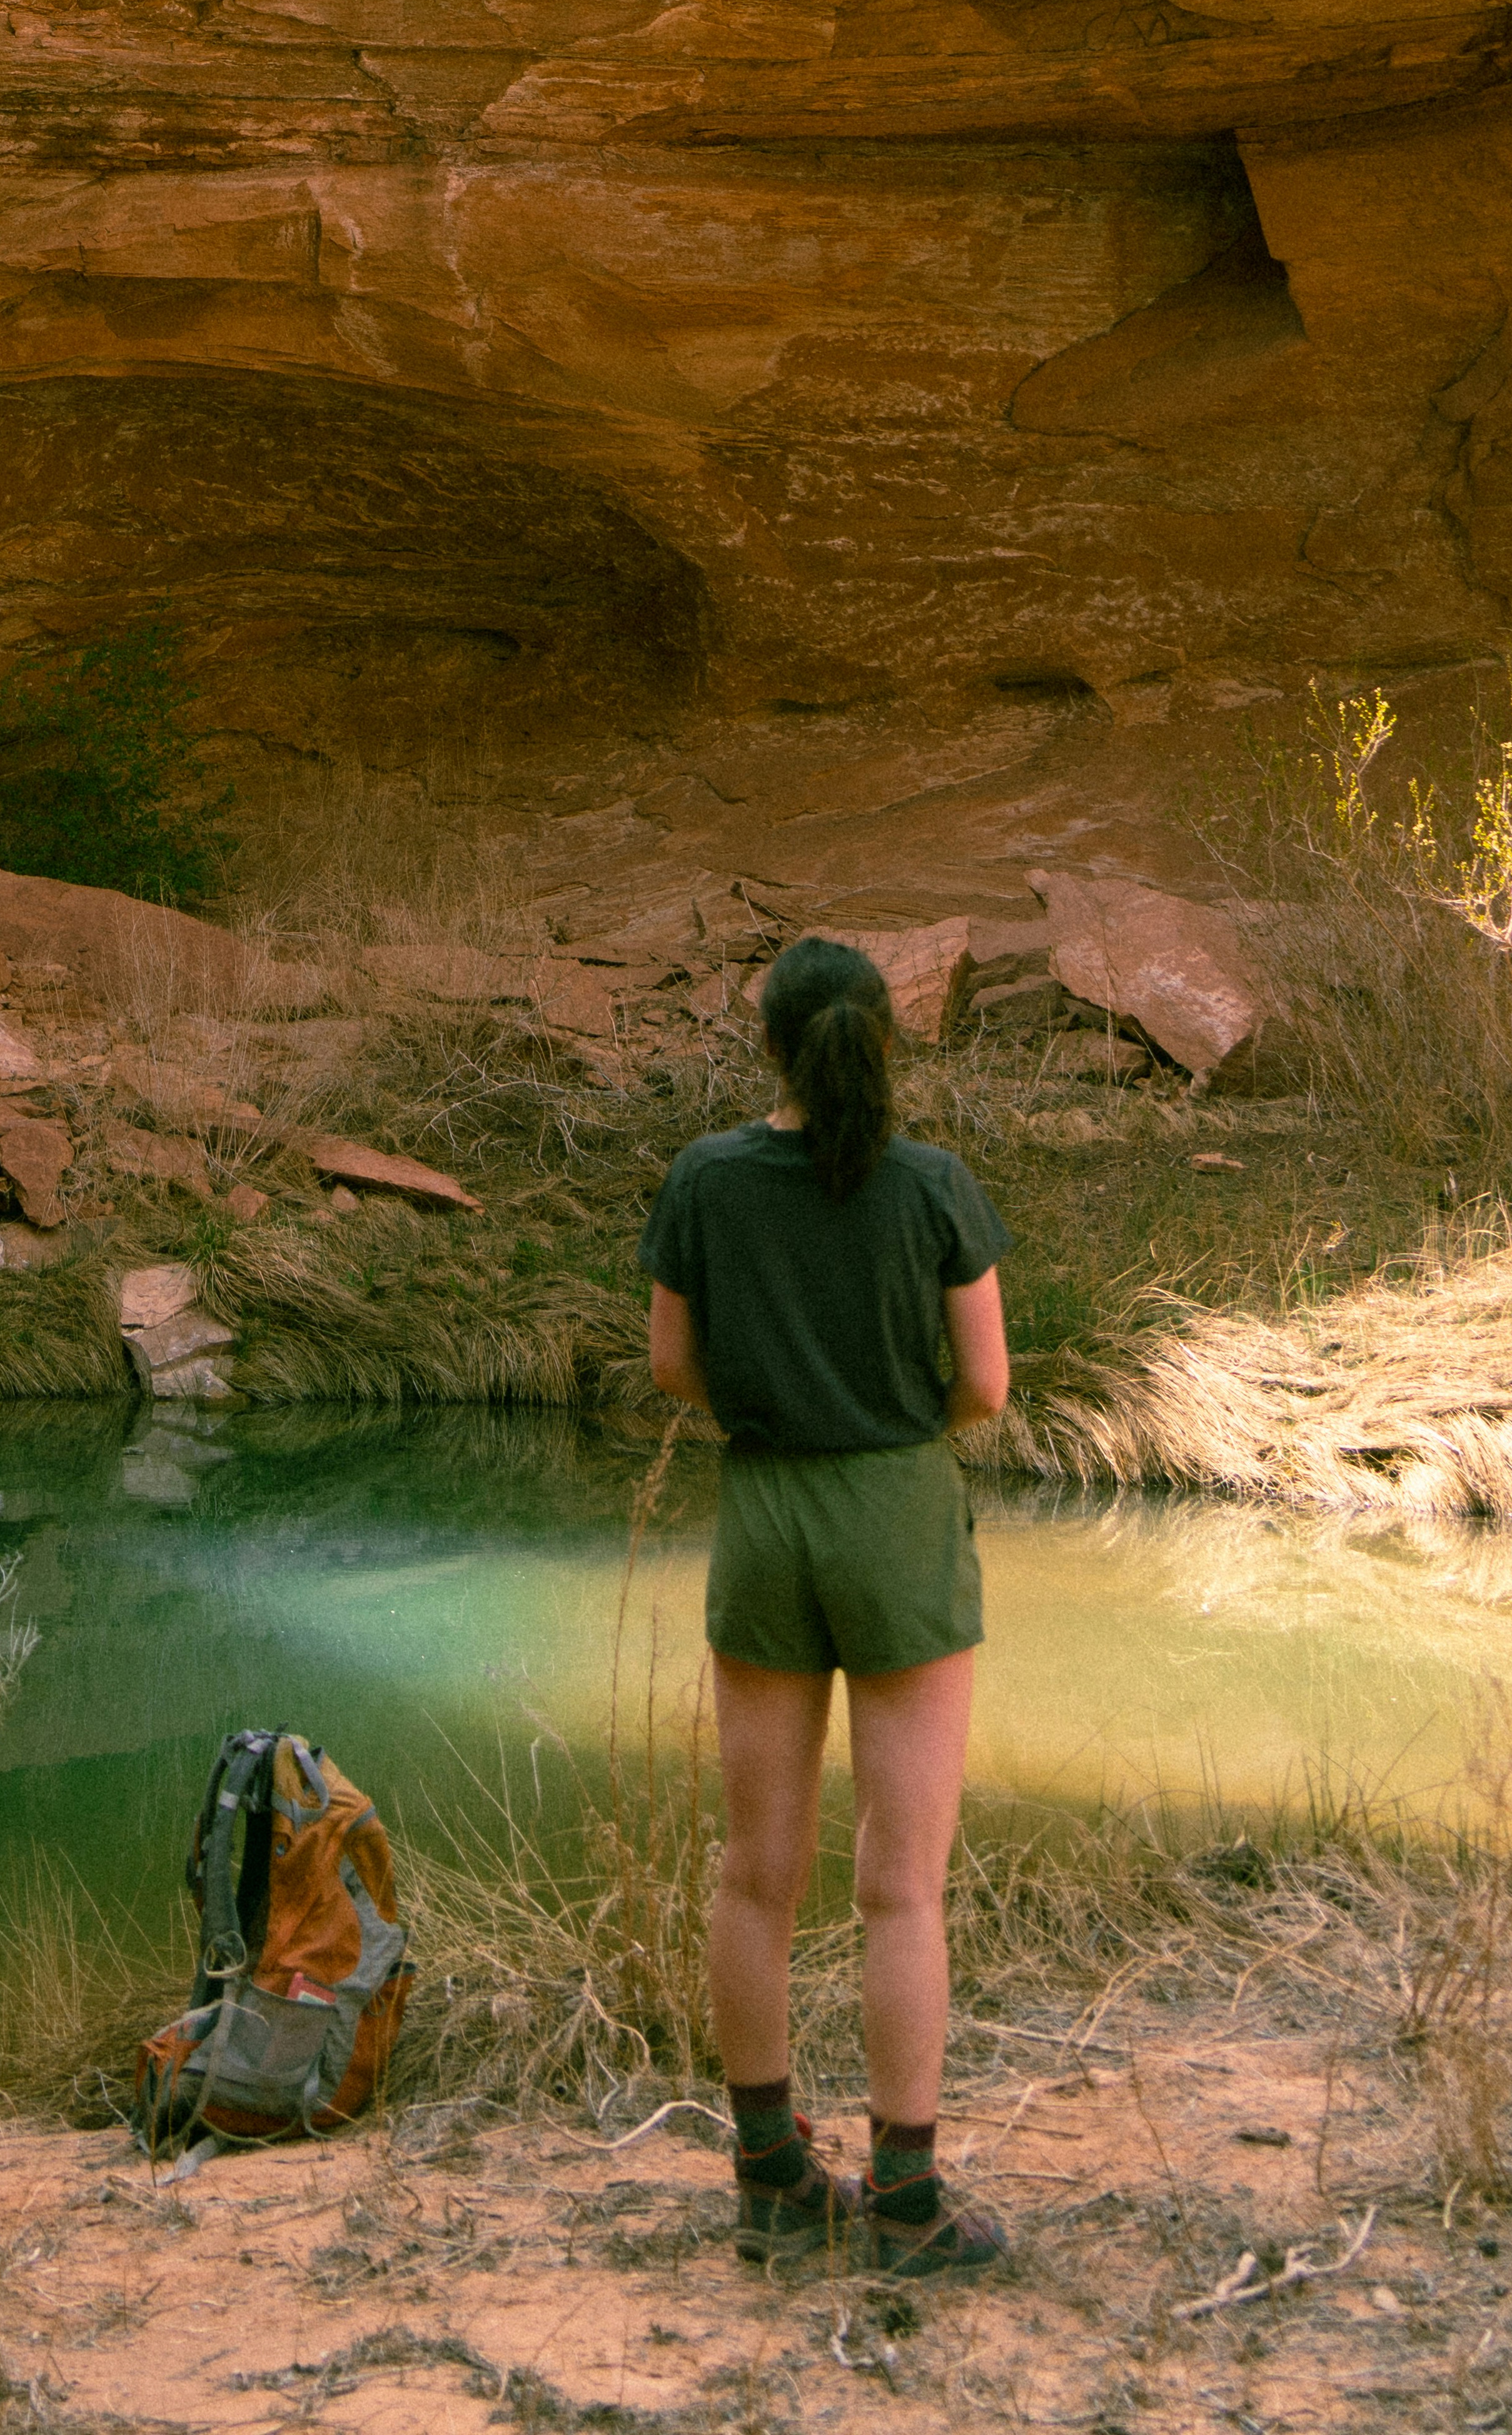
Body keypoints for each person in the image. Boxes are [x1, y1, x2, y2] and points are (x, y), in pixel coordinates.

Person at [641, 933, 1011, 2279]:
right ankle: (906, 2201)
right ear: (883, 1045)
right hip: (899, 1514)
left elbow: (672, 1362)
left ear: (771, 1049)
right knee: (900, 1887)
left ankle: (774, 2183)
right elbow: (986, 1388)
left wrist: (775, 1398)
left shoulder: (706, 1181)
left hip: (768, 1514)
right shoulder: (932, 1187)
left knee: (758, 1873)